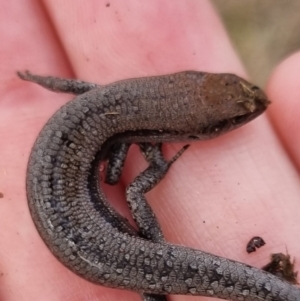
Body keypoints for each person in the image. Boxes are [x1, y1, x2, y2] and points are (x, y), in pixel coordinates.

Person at [0, 1, 299, 300]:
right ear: (190, 133)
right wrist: (154, 163)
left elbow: (67, 91)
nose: (254, 105)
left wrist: (36, 79)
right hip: (107, 254)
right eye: (230, 121)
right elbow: (116, 178)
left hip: (109, 248)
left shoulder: (98, 99)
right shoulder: (107, 115)